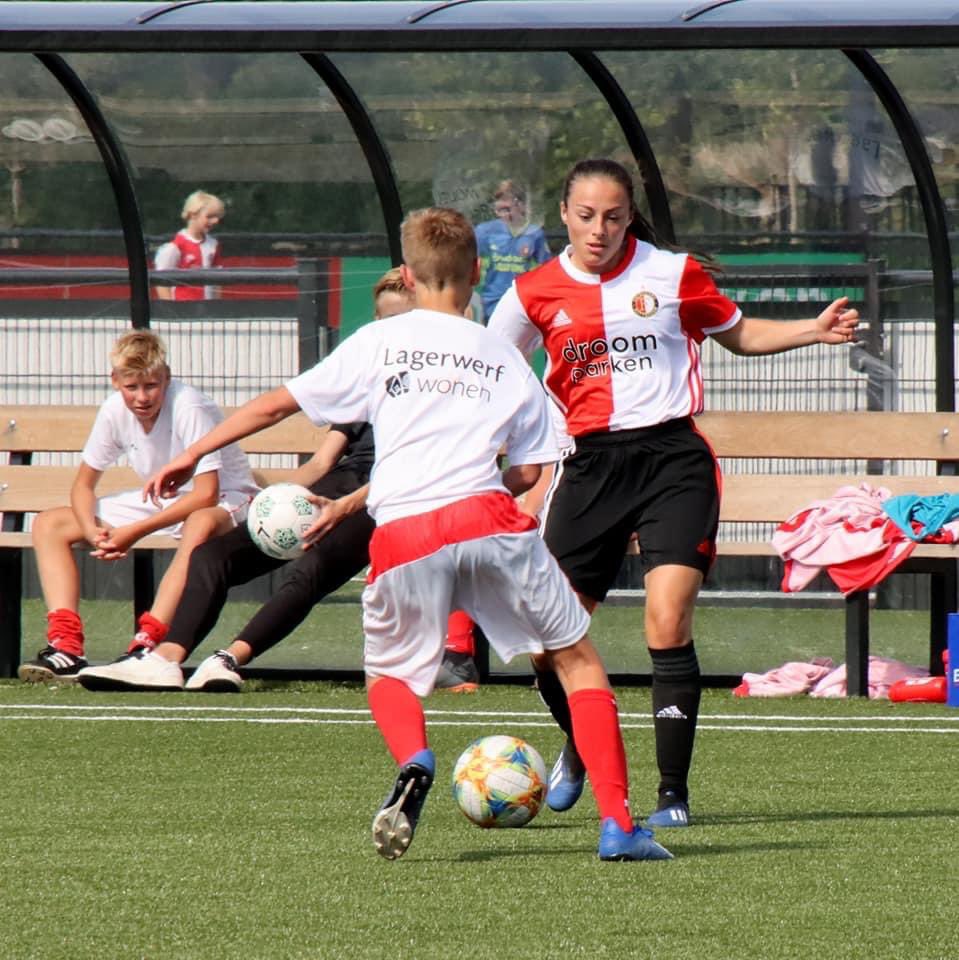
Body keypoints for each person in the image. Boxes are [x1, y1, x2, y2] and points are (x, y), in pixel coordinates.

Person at [145, 206, 673, 863]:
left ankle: (415, 758)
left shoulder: (380, 341)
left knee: (390, 677)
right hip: (489, 520)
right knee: (576, 662)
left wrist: (189, 453)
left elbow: (278, 403)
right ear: (475, 273)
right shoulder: (503, 357)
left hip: (403, 533)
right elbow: (529, 470)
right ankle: (619, 826)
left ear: (410, 275)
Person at [488, 157, 860, 829]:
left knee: (666, 619)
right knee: (546, 641)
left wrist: (812, 329)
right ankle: (580, 743)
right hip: (589, 467)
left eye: (611, 216)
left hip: (672, 462)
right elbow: (491, 372)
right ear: (563, 216)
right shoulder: (532, 292)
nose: (597, 229)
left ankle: (670, 796)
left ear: (628, 216)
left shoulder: (671, 273)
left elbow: (739, 333)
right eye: (584, 216)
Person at [76, 269, 478, 693]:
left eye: (402, 320)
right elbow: (323, 460)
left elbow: (417, 469)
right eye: (383, 321)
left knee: (313, 565)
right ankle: (166, 658)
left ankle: (229, 658)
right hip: (340, 485)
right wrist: (278, 498)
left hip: (392, 497)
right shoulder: (370, 381)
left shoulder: (443, 385)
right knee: (213, 556)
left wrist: (346, 506)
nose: (390, 331)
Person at [18, 330, 258, 684]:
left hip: (228, 499)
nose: (142, 397)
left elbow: (206, 493)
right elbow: (83, 485)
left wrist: (132, 532)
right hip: (167, 501)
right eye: (132, 387)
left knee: (199, 524)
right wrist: (91, 530)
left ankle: (149, 644)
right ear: (115, 382)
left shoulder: (188, 406)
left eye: (152, 385)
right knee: (49, 524)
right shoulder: (114, 410)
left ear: (167, 378)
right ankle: (66, 647)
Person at [474, 180, 551, 322]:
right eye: (499, 209)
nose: (503, 215)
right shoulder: (484, 231)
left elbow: (546, 269)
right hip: (492, 302)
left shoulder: (534, 233)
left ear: (521, 206)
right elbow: (468, 264)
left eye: (507, 209)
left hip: (521, 302)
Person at [153, 190, 225, 301]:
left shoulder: (213, 245)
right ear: (193, 215)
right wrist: (170, 310)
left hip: (208, 310)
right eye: (209, 216)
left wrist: (217, 306)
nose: (215, 221)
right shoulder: (176, 246)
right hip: (183, 310)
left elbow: (217, 282)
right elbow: (161, 282)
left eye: (217, 217)